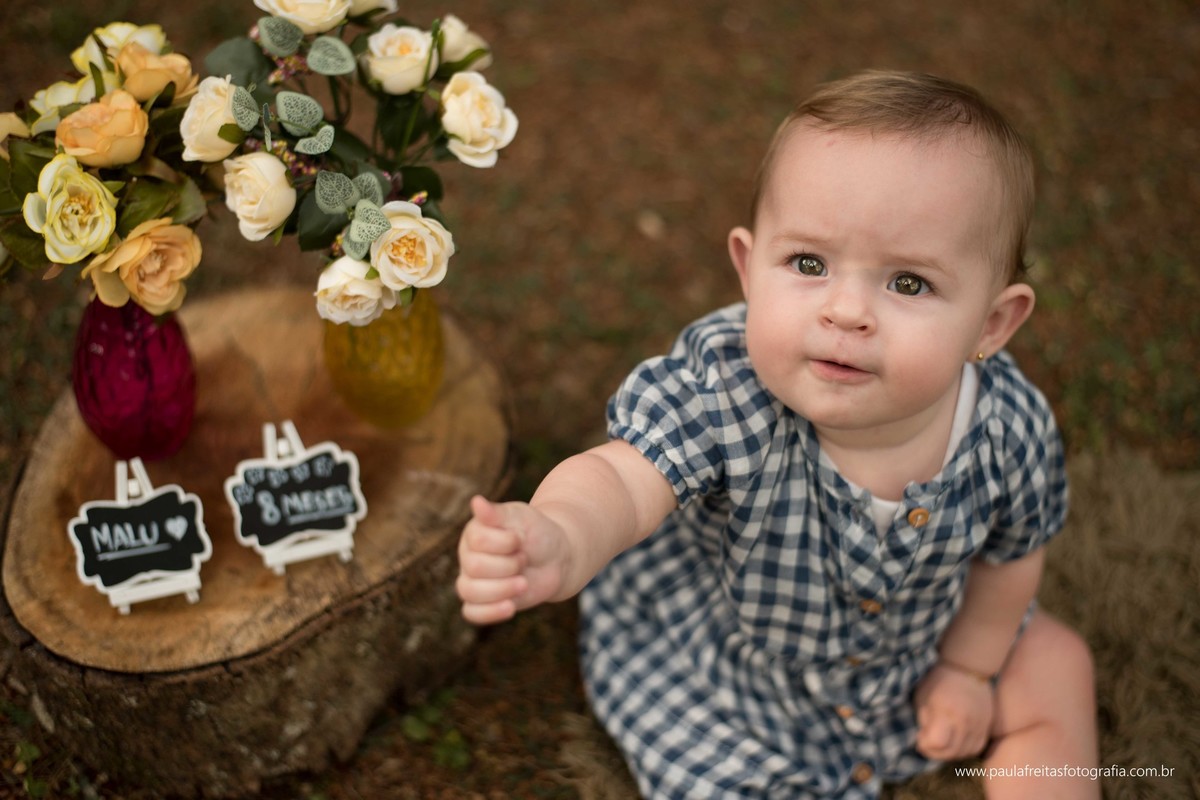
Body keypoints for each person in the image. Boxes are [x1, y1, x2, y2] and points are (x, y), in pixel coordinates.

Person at [456, 70, 1098, 799]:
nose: (847, 310)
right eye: (809, 264)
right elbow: (624, 480)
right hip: (734, 681)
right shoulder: (727, 390)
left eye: (908, 283)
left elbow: (1012, 559)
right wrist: (561, 532)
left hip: (923, 641)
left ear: (991, 324)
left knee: (1055, 667)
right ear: (748, 270)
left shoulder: (1009, 428)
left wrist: (969, 668)